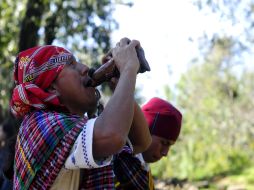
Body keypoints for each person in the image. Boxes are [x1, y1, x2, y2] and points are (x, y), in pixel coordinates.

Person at [9, 37, 151, 189]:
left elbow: (141, 143)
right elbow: (112, 136)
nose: (85, 68)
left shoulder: (80, 128)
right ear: (52, 88)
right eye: (71, 65)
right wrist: (128, 68)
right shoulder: (39, 125)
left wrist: (119, 83)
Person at [113, 97, 182, 190]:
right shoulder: (120, 156)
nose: (165, 153)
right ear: (145, 131)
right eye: (164, 143)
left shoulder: (142, 165)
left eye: (169, 145)